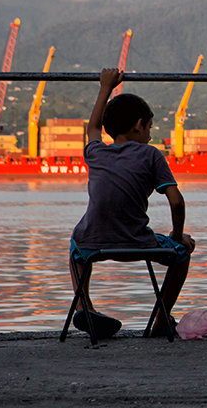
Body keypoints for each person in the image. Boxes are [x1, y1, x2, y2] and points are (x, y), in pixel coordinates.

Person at [69, 68, 195, 339]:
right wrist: (176, 235)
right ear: (139, 125)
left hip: (93, 244)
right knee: (183, 252)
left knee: (75, 246)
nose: (150, 134)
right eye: (150, 127)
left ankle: (84, 307)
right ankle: (161, 320)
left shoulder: (96, 152)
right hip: (139, 243)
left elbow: (92, 128)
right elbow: (177, 201)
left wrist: (105, 87)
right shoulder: (151, 155)